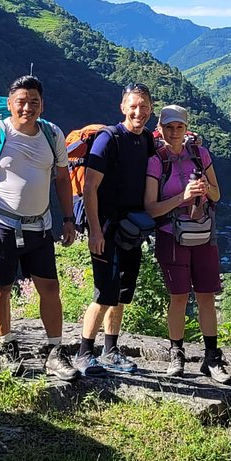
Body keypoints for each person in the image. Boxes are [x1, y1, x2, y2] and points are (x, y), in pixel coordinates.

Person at [0, 75, 79, 381]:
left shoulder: (52, 134)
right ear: (10, 104)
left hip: (39, 226)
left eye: (33, 102)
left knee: (50, 288)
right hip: (0, 225)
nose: (27, 108)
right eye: (21, 102)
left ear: (42, 104)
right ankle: (7, 347)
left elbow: (63, 178)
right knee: (1, 288)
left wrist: (68, 218)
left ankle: (54, 353)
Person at [144, 105, 231, 382]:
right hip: (171, 235)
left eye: (178, 127)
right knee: (179, 297)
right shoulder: (156, 160)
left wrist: (206, 188)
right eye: (168, 127)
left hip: (203, 233)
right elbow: (150, 208)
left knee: (206, 295)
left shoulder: (200, 154)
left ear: (186, 128)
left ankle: (212, 357)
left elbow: (217, 195)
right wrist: (183, 196)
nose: (173, 132)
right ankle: (176, 353)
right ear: (160, 128)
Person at [74, 82, 154, 376]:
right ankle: (84, 352)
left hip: (132, 229)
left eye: (144, 107)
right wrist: (94, 230)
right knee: (104, 293)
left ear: (151, 110)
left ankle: (110, 350)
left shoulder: (146, 140)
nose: (138, 112)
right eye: (133, 106)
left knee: (121, 293)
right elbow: (90, 187)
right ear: (122, 108)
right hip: (105, 227)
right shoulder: (108, 139)